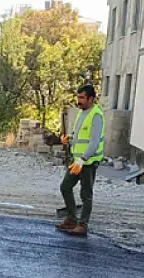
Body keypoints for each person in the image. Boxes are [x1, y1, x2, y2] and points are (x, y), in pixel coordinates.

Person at [56, 84, 104, 237]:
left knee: (86, 194)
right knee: (65, 187)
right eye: (78, 97)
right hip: (77, 161)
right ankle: (71, 218)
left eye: (82, 97)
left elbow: (94, 142)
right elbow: (78, 133)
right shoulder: (81, 113)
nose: (79, 100)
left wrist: (83, 160)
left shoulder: (96, 115)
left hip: (88, 163)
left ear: (91, 98)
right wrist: (68, 138)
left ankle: (83, 225)